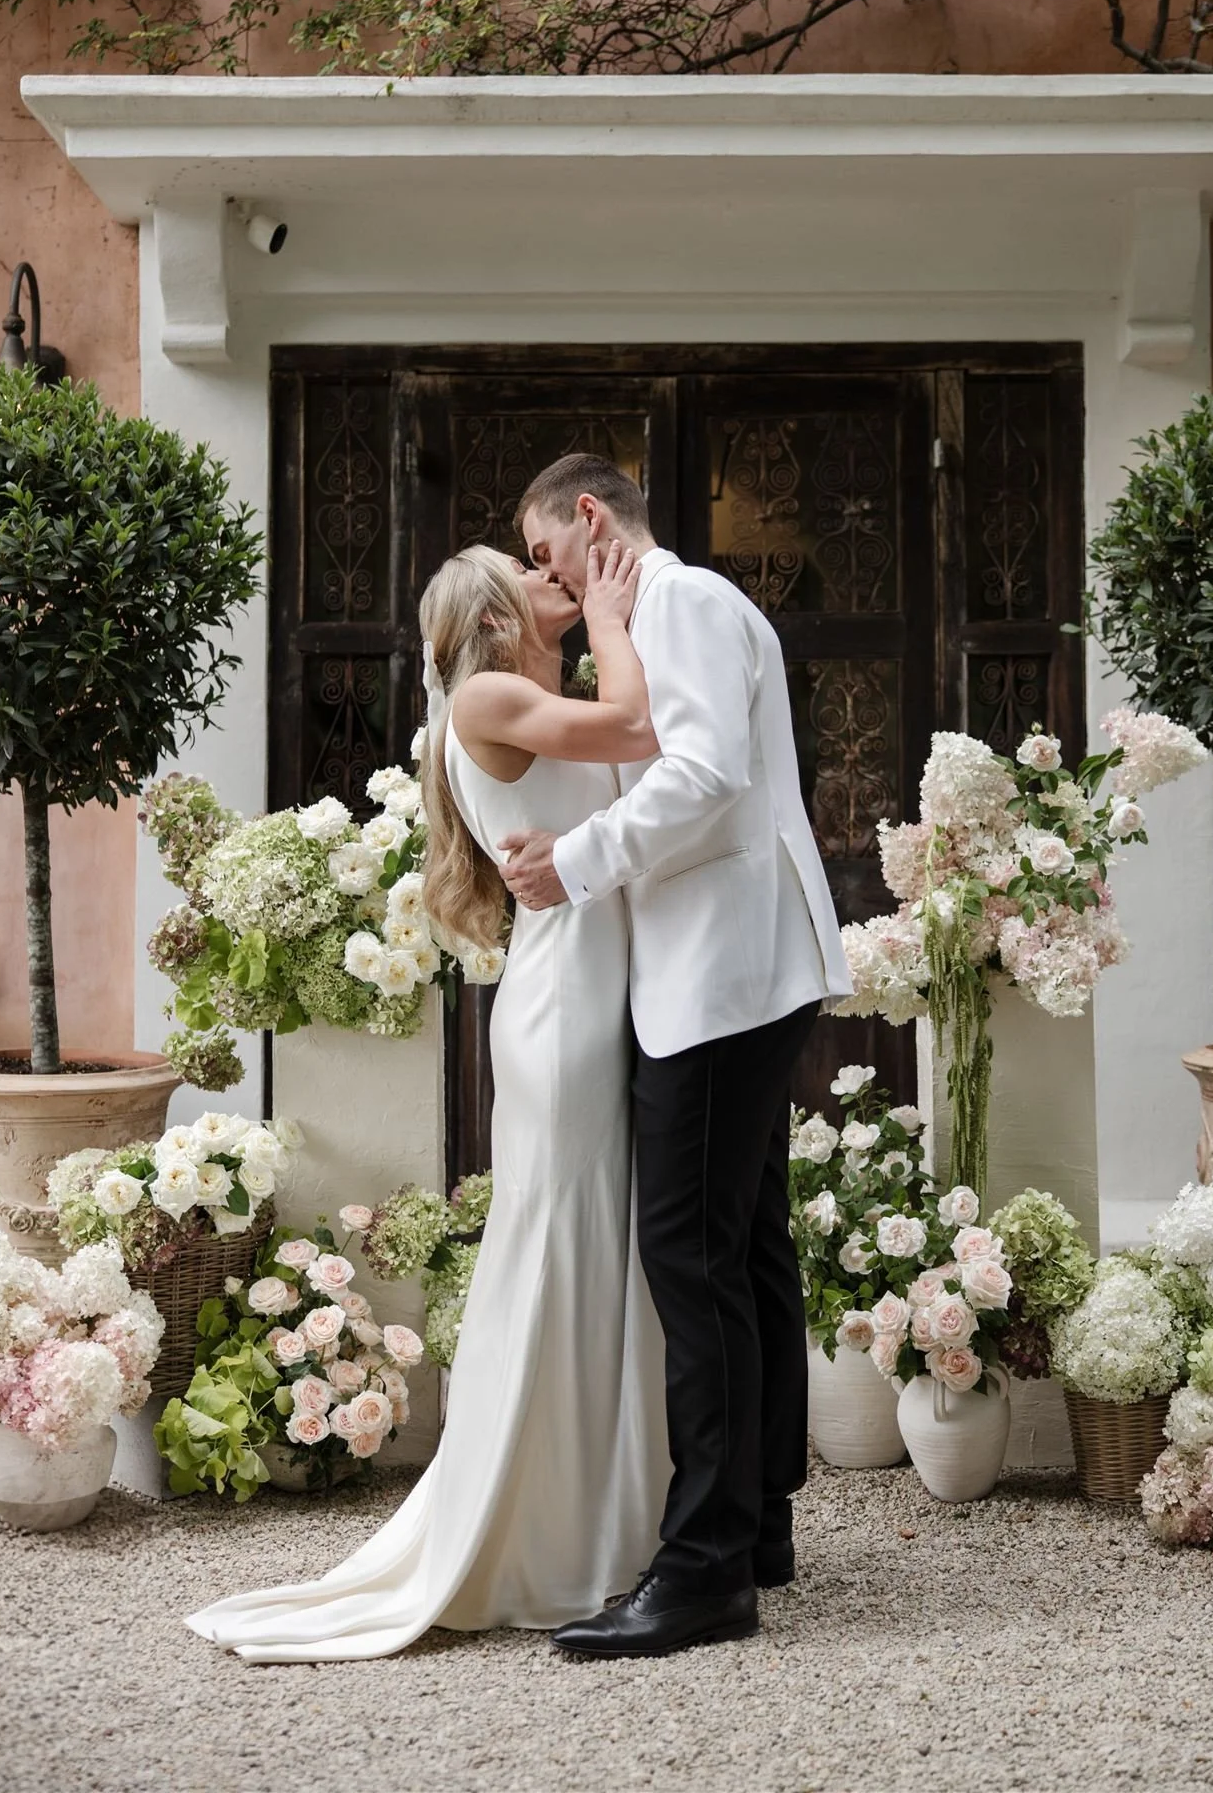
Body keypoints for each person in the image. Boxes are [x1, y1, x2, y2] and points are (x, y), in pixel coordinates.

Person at [184, 539, 672, 1661]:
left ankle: (603, 1515)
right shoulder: (492, 692)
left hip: (589, 992)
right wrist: (610, 609)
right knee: (564, 1245)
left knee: (594, 1248)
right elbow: (638, 729)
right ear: (499, 611)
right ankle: (556, 1535)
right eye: (533, 570)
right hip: (567, 1010)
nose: (557, 573)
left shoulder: (521, 694)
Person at [507, 454, 853, 1659]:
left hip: (723, 971)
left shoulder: (685, 600)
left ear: (587, 518)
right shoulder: (651, 615)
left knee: (690, 1256)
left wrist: (580, 856)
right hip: (729, 965)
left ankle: (704, 1567)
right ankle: (756, 1527)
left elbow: (707, 774)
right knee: (747, 1247)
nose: (542, 575)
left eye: (545, 550)